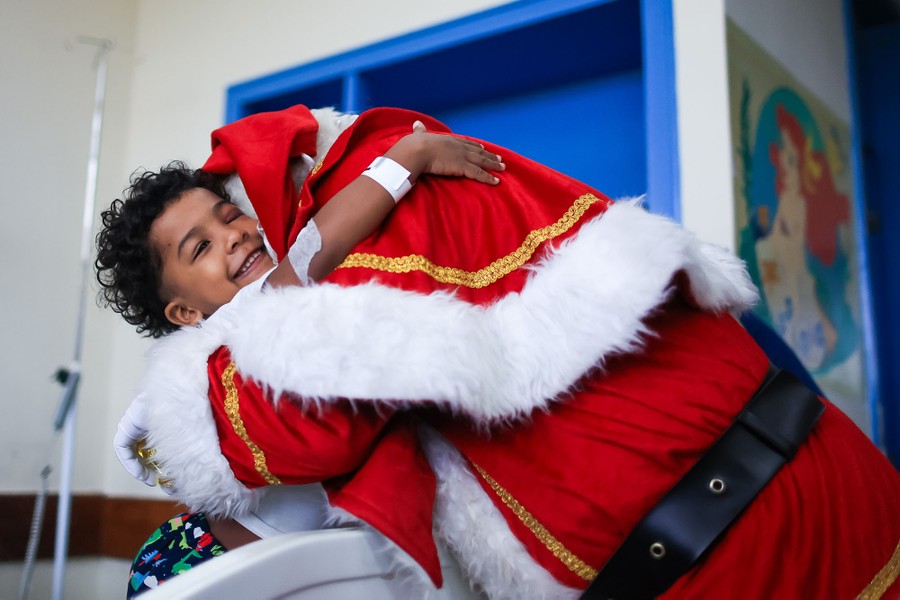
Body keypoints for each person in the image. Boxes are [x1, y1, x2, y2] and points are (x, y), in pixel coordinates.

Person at [100, 105, 900, 599]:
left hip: (733, 535)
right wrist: (399, 164)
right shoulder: (218, 365)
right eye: (201, 245)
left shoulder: (318, 271)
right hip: (778, 498)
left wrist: (395, 168)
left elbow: (298, 268)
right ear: (182, 311)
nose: (235, 235)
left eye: (228, 215)